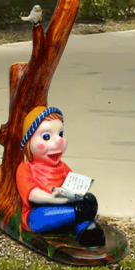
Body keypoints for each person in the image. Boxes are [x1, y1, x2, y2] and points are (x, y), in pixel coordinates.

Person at [16, 106, 105, 247]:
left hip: (66, 209)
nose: (59, 141)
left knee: (83, 207)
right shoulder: (26, 168)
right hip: (40, 213)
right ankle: (83, 215)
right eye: (46, 137)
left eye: (61, 134)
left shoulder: (63, 167)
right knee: (44, 217)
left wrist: (78, 193)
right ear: (28, 142)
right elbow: (31, 193)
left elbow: (73, 183)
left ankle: (88, 232)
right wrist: (52, 198)